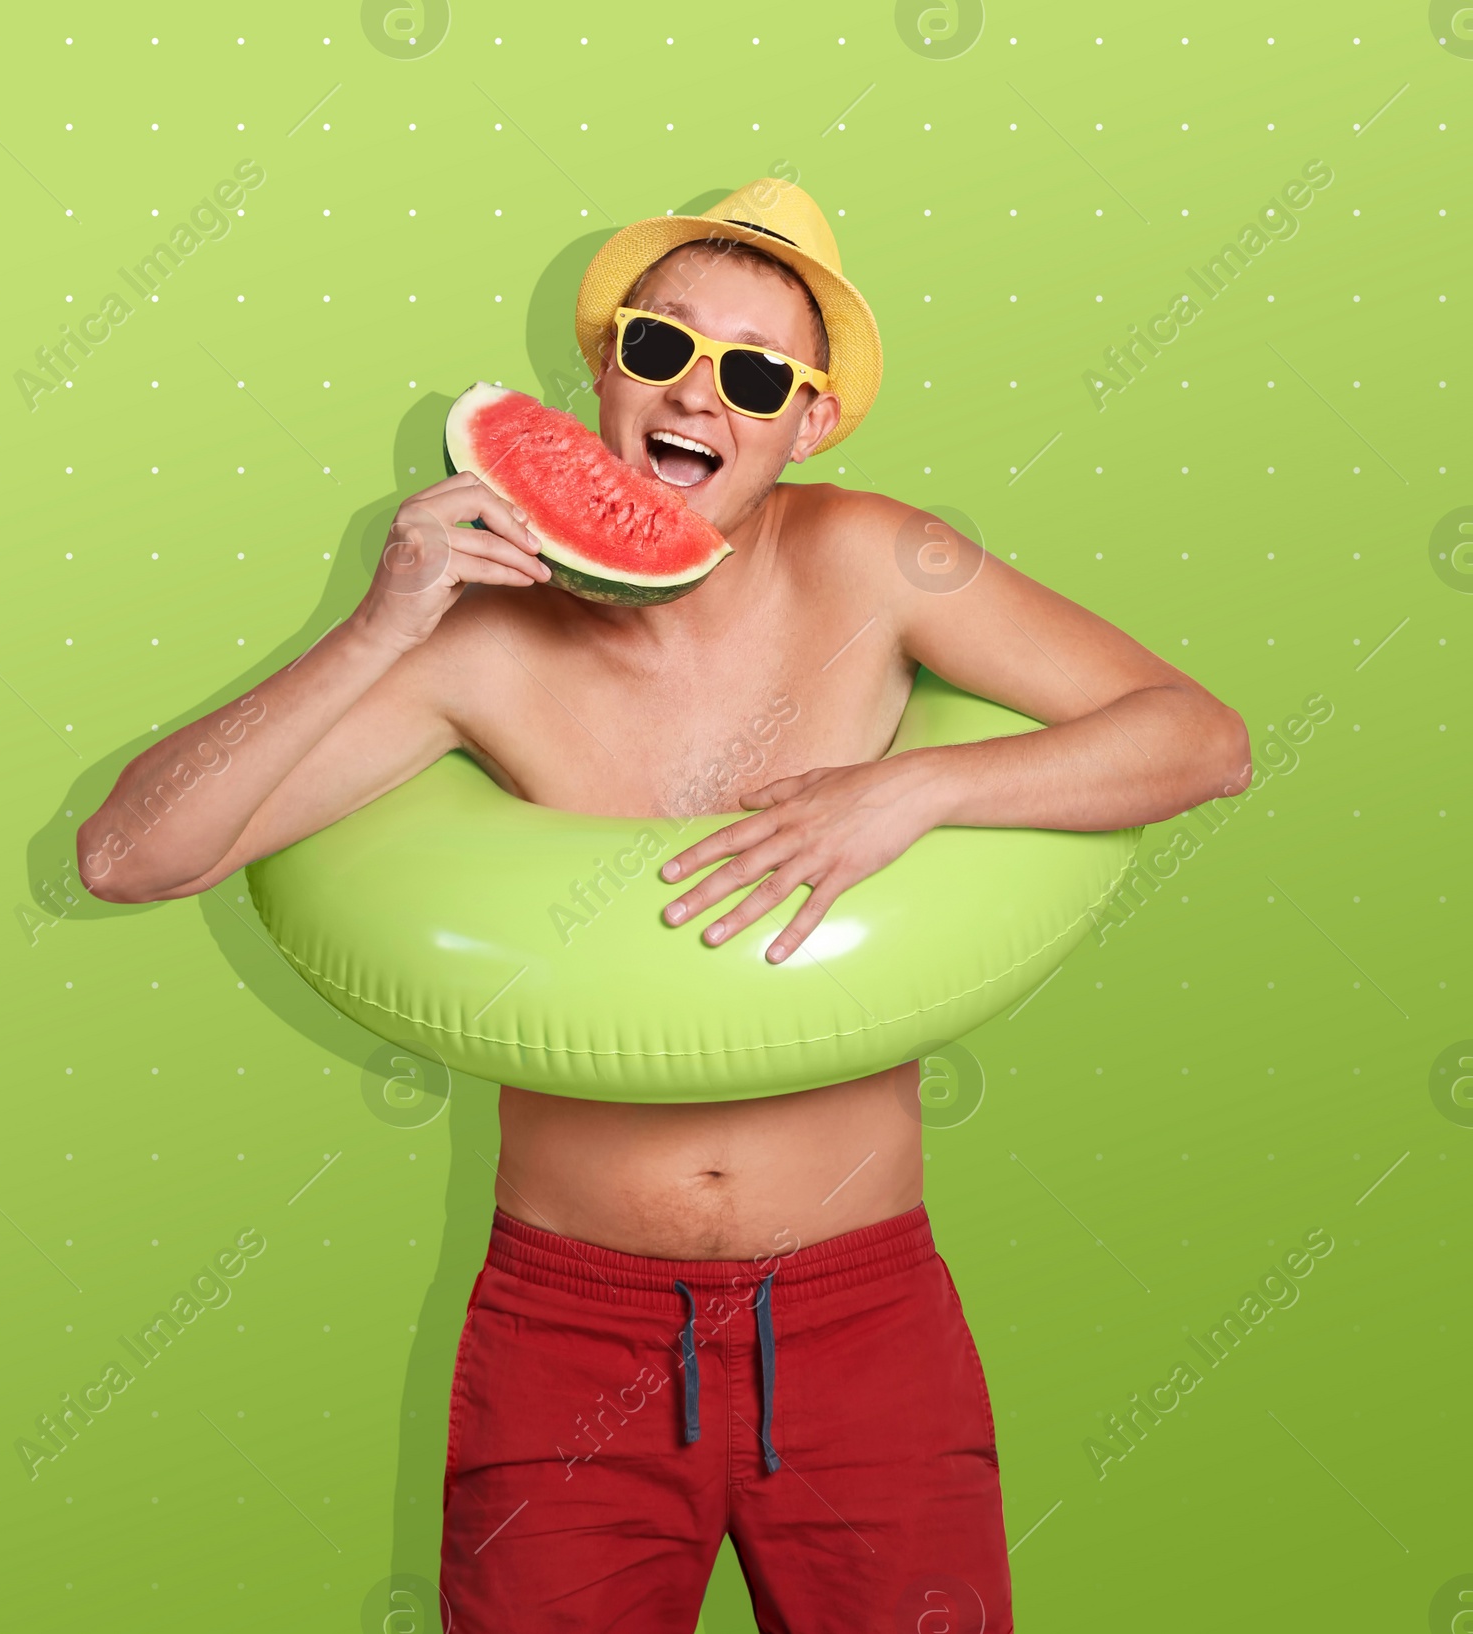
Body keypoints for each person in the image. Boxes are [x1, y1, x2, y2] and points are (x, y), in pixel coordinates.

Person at [79, 179, 1250, 1631]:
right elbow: (132, 856)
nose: (701, 389)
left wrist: (916, 791)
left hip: (862, 1316)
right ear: (606, 371)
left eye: (757, 372)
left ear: (807, 423)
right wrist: (383, 620)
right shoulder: (482, 647)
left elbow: (1203, 740)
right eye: (663, 346)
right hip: (566, 1324)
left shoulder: (877, 562)